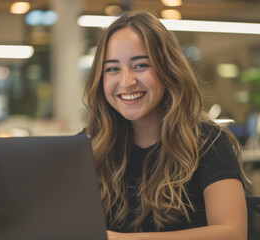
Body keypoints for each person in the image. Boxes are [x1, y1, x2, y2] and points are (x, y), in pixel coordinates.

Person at [83, 11, 248, 240]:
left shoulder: (208, 142)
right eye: (112, 69)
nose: (126, 82)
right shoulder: (89, 146)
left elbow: (233, 233)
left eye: (140, 65)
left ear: (167, 69)